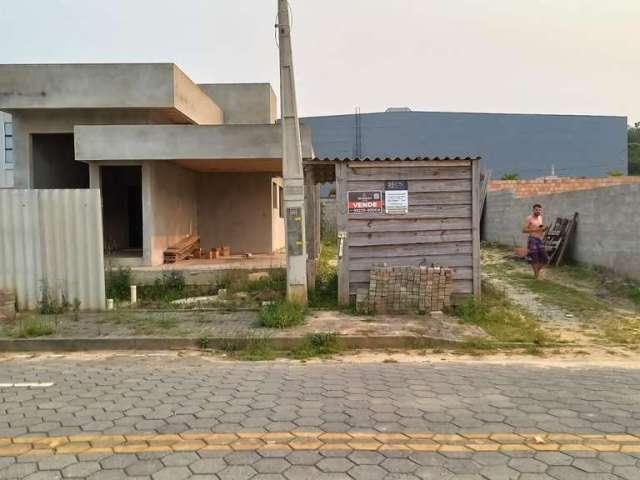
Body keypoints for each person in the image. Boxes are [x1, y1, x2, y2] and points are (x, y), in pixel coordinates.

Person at [522, 204, 548, 279]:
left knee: (545, 258)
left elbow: (540, 226)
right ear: (533, 210)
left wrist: (542, 229)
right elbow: (524, 230)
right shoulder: (529, 218)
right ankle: (536, 276)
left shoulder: (540, 217)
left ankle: (537, 272)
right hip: (532, 239)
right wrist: (536, 229)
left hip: (539, 240)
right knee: (534, 258)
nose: (538, 211)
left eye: (539, 210)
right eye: (536, 210)